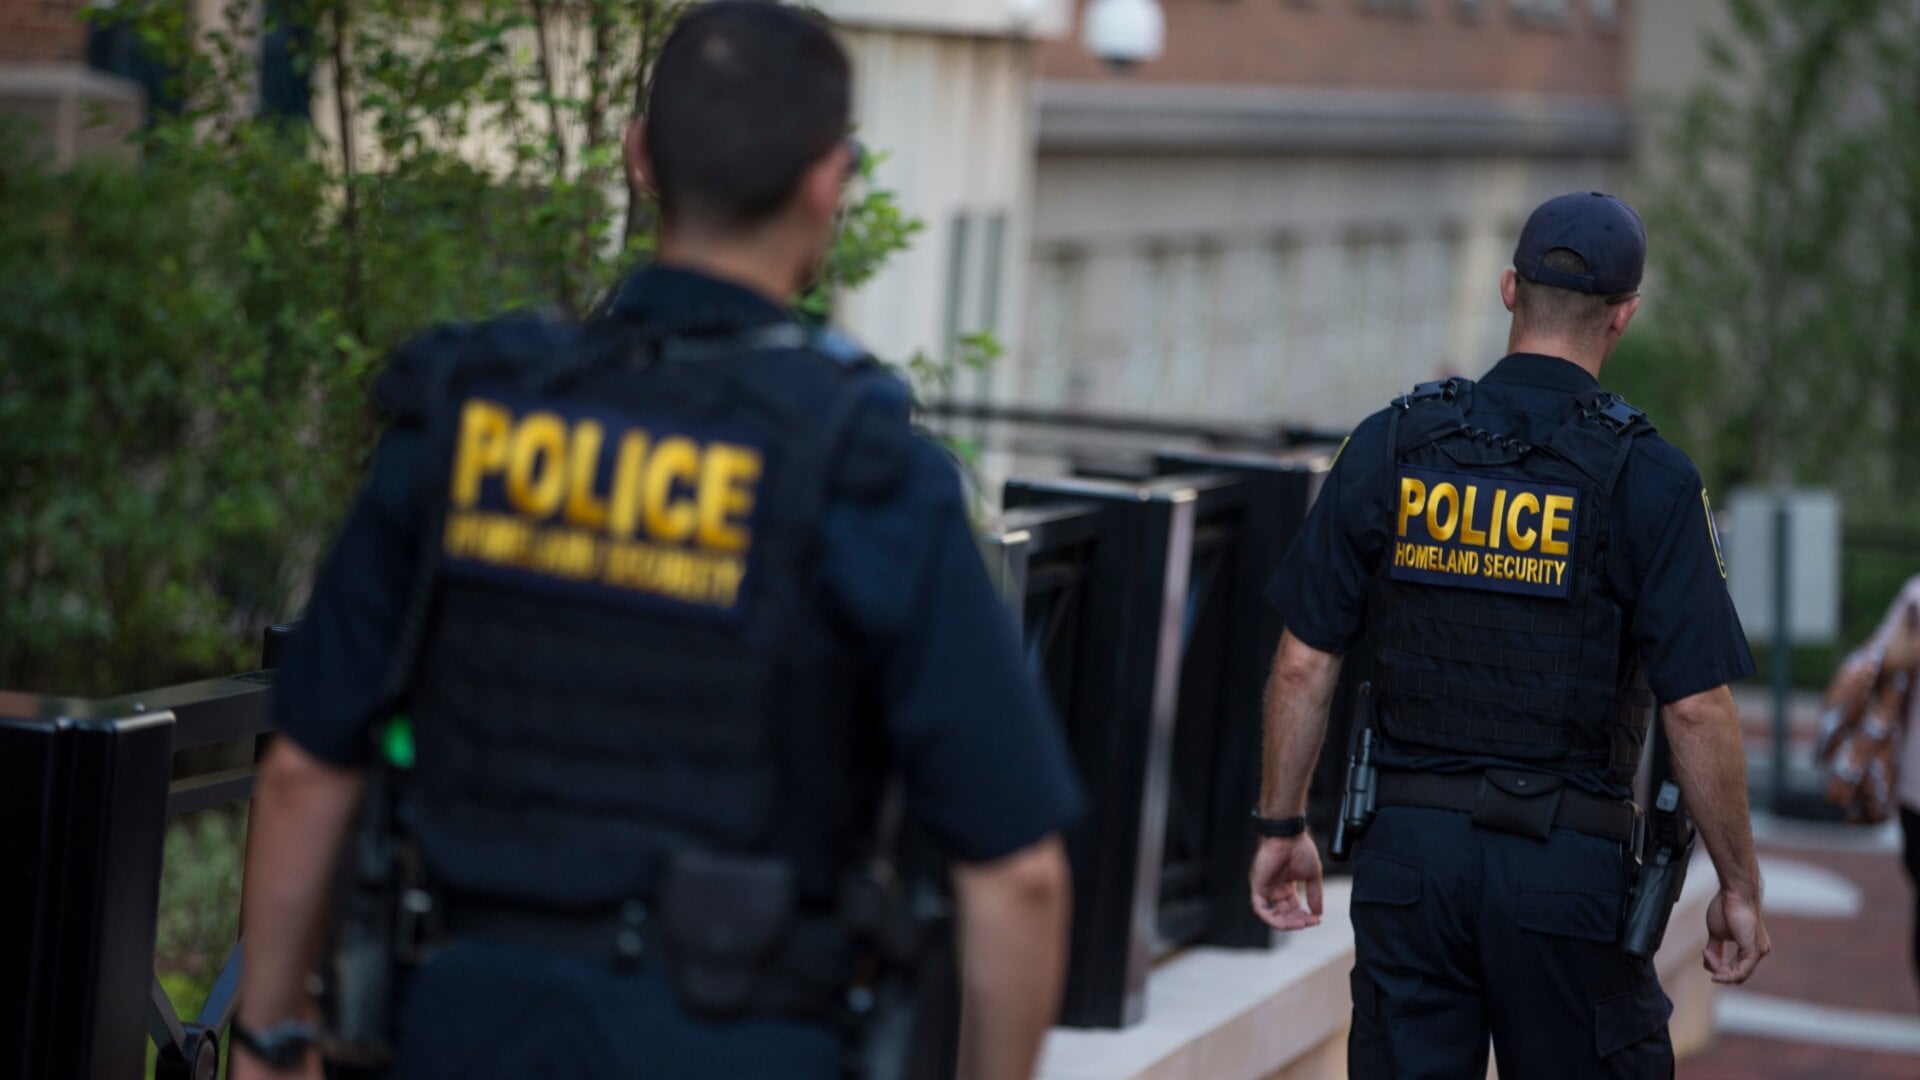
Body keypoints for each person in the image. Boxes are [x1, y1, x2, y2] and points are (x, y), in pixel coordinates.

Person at [232, 5, 1082, 1078]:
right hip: (740, 1041)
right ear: (830, 181)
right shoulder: (865, 470)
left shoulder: (469, 421)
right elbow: (1018, 874)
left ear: (638, 158)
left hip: (468, 1029)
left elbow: (309, 767)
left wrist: (268, 1035)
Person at [1247, 192, 1772, 1077]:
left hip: (1408, 863)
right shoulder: (1651, 477)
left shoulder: (1391, 444)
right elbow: (1698, 709)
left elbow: (1303, 664)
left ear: (1506, 290)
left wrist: (1281, 822)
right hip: (1565, 874)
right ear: (1624, 316)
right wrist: (1741, 886)